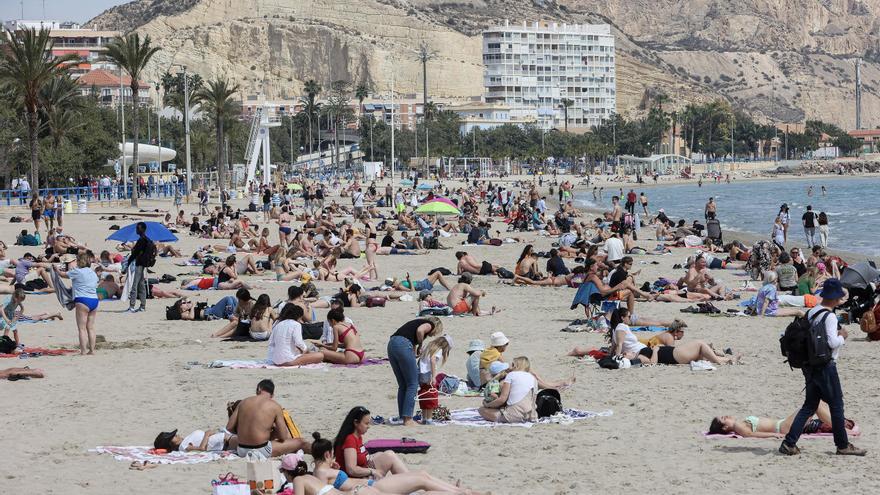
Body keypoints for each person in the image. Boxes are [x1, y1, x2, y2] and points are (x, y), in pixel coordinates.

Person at [779, 278, 866, 456]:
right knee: (836, 406)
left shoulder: (812, 312)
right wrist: (843, 336)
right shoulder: (830, 316)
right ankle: (842, 445)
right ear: (835, 298)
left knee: (809, 406)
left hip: (809, 365)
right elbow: (833, 342)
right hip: (825, 365)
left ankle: (789, 443)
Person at [310, 432, 474, 494]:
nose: (334, 458)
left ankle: (456, 490)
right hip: (371, 488)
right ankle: (460, 492)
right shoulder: (321, 474)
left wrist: (336, 471)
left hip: (370, 486)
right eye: (332, 455)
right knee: (421, 481)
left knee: (422, 477)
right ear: (326, 454)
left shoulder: (322, 471)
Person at [227, 379, 312, 458]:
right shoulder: (275, 406)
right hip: (261, 450)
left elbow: (229, 428)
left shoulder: (243, 402)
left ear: (259, 389)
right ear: (272, 395)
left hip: (241, 450)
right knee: (301, 442)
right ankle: (320, 452)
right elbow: (283, 436)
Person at [386, 317, 443, 426]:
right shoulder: (429, 324)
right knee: (412, 384)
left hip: (392, 345)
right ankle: (408, 419)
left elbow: (411, 337)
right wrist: (420, 345)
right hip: (402, 344)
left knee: (403, 385)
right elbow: (420, 331)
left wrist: (413, 350)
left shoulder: (414, 324)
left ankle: (402, 416)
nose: (432, 335)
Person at [709, 401, 857, 438]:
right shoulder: (737, 426)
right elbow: (750, 435)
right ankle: (841, 430)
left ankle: (840, 423)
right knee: (814, 404)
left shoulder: (739, 423)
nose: (727, 416)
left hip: (784, 423)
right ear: (725, 428)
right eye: (724, 419)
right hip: (784, 428)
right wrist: (774, 435)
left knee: (818, 401)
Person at [334, 406, 409, 476]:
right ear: (356, 423)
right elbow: (351, 470)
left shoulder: (357, 436)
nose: (369, 426)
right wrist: (372, 471)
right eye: (366, 423)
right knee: (390, 456)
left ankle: (409, 479)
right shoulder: (350, 439)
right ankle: (410, 481)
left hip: (363, 469)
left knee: (388, 454)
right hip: (354, 479)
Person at [57, 252, 99, 355]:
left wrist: (55, 269)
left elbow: (62, 275)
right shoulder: (93, 272)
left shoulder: (77, 272)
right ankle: (92, 350)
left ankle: (83, 351)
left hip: (82, 300)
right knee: (91, 327)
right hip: (94, 300)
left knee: (81, 328)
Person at [478, 356, 538, 423]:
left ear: (516, 365)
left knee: (481, 410)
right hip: (532, 415)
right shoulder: (533, 378)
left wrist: (487, 405)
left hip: (514, 415)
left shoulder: (511, 375)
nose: (510, 367)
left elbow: (502, 399)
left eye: (512, 365)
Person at [417, 335, 452, 424]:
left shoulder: (429, 345)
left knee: (423, 394)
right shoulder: (438, 349)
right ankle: (429, 419)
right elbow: (432, 360)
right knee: (431, 396)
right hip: (428, 373)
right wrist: (433, 377)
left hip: (420, 372)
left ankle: (424, 418)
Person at [128, 222, 154, 313]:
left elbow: (135, 254)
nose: (136, 230)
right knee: (141, 285)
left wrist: (128, 262)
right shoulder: (147, 240)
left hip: (139, 264)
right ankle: (142, 306)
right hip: (143, 264)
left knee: (134, 285)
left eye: (138, 228)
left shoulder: (141, 240)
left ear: (143, 229)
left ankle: (132, 306)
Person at [153, 427, 238, 452]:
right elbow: (201, 448)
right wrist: (207, 434)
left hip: (222, 439)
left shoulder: (185, 442)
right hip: (222, 441)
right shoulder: (183, 446)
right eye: (174, 437)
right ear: (171, 444)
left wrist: (208, 434)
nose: (177, 435)